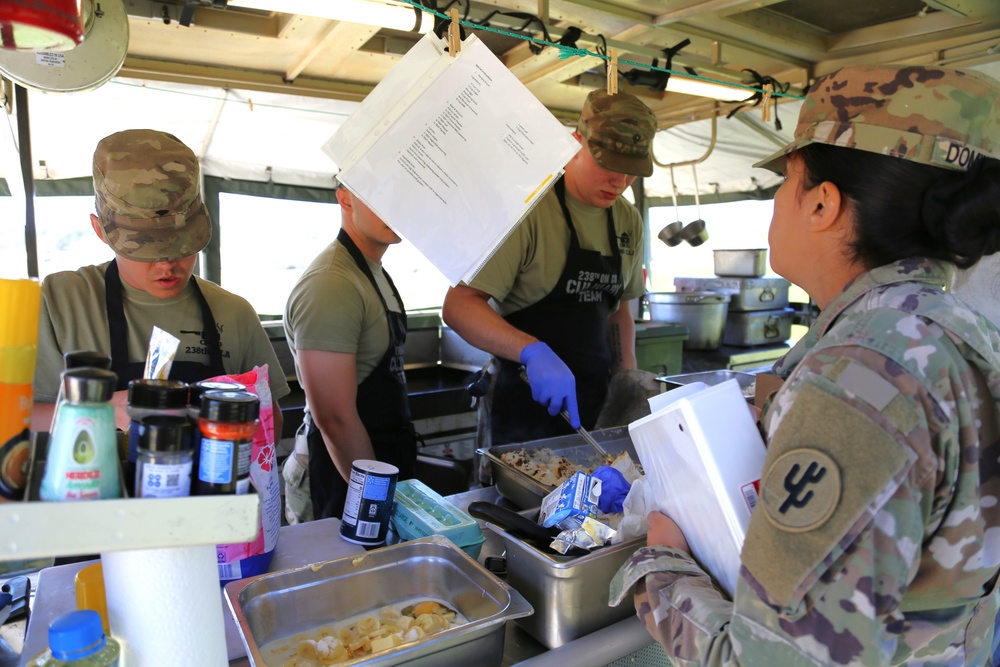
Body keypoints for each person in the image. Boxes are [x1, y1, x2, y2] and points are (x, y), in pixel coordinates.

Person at [610, 64, 1000, 665]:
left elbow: (769, 660)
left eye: (782, 183)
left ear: (822, 203)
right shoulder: (958, 330)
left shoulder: (863, 376)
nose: (774, 206)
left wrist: (663, 563)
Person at [33, 129, 290, 437]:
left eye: (180, 245)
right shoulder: (59, 302)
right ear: (100, 230)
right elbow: (14, 415)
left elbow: (270, 425)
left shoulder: (233, 312)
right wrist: (97, 411)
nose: (166, 263)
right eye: (145, 248)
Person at [442, 89, 655, 445]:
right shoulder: (528, 211)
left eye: (630, 171)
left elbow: (619, 310)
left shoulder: (627, 219)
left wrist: (625, 375)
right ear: (575, 142)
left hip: (595, 405)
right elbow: (459, 305)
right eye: (607, 164)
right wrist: (532, 351)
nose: (619, 181)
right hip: (519, 409)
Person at [283, 184, 417, 521]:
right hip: (341, 478)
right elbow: (334, 418)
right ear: (345, 198)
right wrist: (375, 502)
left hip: (380, 459)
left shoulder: (373, 272)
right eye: (381, 193)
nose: (396, 208)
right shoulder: (332, 283)